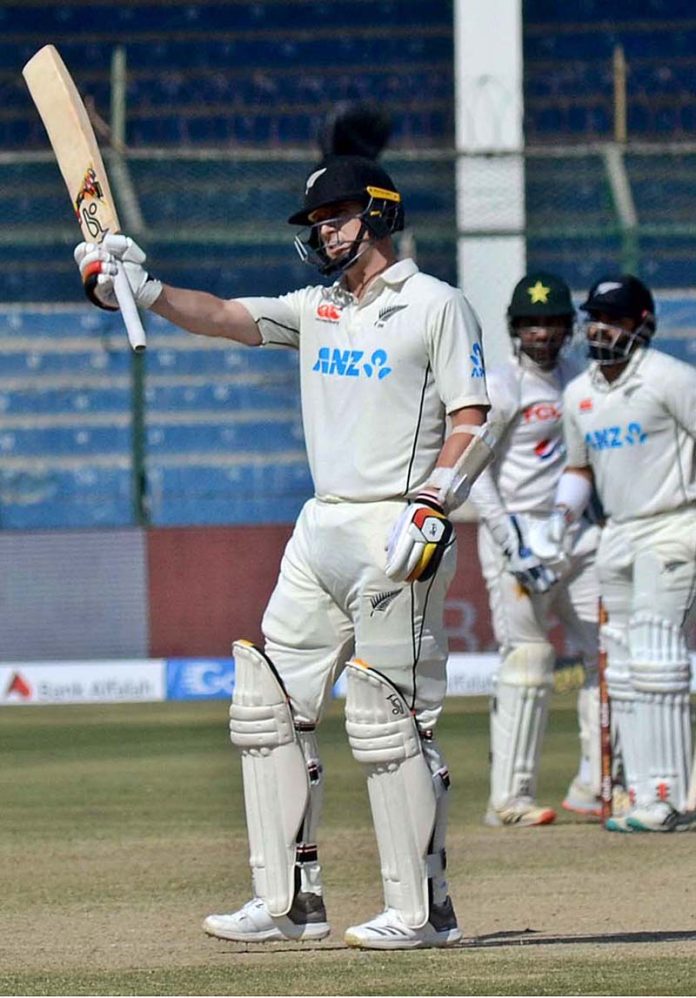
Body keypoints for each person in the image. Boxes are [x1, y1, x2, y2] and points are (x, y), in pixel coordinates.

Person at [74, 155, 495, 947]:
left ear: (377, 214)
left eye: (335, 216)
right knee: (267, 710)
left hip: (394, 529)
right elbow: (225, 316)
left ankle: (422, 910)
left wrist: (435, 502)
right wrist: (143, 288)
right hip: (321, 528)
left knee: (387, 721)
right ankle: (289, 903)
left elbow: (474, 415)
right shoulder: (317, 308)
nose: (323, 232)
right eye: (316, 222)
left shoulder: (436, 305)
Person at [539, 274, 696, 833]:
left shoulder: (671, 379)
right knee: (624, 668)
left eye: (616, 318)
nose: (601, 328)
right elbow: (579, 469)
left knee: (657, 655)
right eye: (596, 317)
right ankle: (642, 790)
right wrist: (557, 520)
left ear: (642, 324)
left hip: (675, 525)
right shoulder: (578, 393)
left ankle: (670, 795)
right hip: (618, 533)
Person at [467, 272, 602, 828]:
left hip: (574, 533)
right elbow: (474, 471)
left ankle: (599, 784)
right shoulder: (501, 386)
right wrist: (510, 539)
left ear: (568, 327)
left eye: (550, 322)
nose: (541, 333)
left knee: (607, 654)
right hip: (518, 538)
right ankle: (511, 800)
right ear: (515, 330)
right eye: (530, 323)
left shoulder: (582, 379)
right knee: (527, 659)